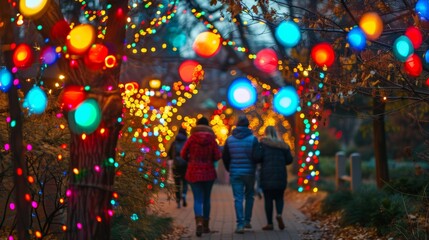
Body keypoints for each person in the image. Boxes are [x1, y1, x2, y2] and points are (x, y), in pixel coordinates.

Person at [181, 116, 222, 237]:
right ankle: (206, 225)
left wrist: (190, 159)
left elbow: (183, 154)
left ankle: (198, 222)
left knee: (197, 199)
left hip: (193, 171)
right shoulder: (212, 139)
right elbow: (218, 155)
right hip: (208, 172)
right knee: (207, 199)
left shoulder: (192, 138)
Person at [222, 115, 260, 234]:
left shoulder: (229, 140)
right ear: (248, 126)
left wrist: (230, 169)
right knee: (249, 196)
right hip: (249, 173)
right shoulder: (253, 139)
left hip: (235, 173)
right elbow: (257, 157)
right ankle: (247, 220)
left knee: (238, 198)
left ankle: (240, 224)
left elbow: (225, 157)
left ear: (237, 125)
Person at [257, 126, 293, 231]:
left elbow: (258, 157)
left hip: (266, 176)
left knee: (268, 200)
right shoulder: (283, 145)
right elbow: (289, 160)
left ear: (265, 133)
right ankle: (279, 214)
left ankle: (269, 223)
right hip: (280, 175)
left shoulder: (262, 144)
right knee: (279, 197)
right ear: (276, 133)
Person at [167, 127, 188, 208]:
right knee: (185, 182)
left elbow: (169, 154)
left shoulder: (174, 143)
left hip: (176, 165)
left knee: (177, 183)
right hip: (185, 165)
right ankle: (184, 194)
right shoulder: (187, 142)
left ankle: (178, 200)